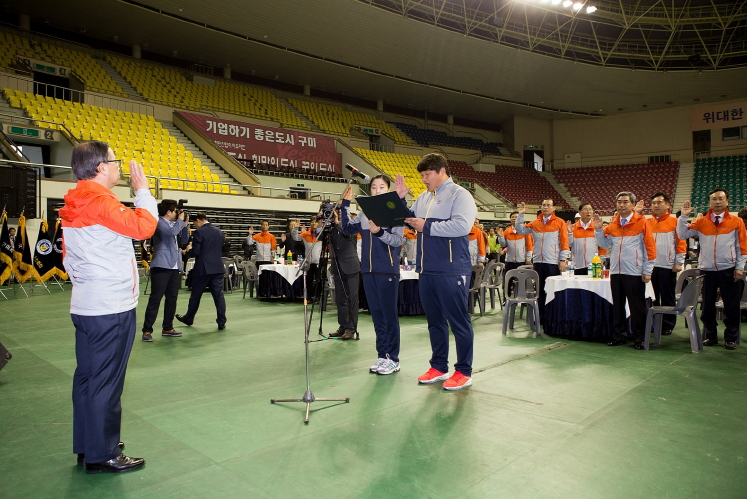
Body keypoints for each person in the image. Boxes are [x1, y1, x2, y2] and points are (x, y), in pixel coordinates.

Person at [60, 140, 157, 473]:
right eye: (115, 162)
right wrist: (142, 192)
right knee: (107, 381)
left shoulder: (75, 200)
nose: (119, 167)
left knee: (87, 377)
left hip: (86, 303)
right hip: (110, 306)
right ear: (101, 167)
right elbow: (145, 227)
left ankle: (89, 444)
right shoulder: (100, 202)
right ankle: (104, 453)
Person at [395, 152, 477, 391]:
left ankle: (464, 371)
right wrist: (400, 201)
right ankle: (439, 367)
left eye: (427, 174)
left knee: (458, 322)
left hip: (452, 269)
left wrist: (427, 225)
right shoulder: (423, 197)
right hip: (426, 269)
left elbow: (462, 226)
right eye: (422, 175)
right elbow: (410, 220)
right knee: (434, 322)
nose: (424, 179)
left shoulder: (460, 194)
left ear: (442, 171)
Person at [340, 175, 404, 373]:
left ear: (388, 190)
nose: (377, 190)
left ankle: (393, 358)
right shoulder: (364, 213)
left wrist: (379, 233)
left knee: (389, 316)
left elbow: (398, 241)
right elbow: (347, 228)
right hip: (368, 270)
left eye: (381, 187)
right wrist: (345, 205)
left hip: (387, 270)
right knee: (377, 316)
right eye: (374, 187)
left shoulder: (394, 212)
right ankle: (382, 356)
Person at [677, 190, 747, 350]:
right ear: (709, 202)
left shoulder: (736, 221)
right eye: (714, 199)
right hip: (707, 270)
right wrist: (683, 217)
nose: (717, 202)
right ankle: (710, 336)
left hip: (729, 269)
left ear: (727, 201)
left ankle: (731, 337)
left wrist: (739, 267)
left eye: (720, 199)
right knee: (707, 305)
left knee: (731, 305)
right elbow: (682, 234)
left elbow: (742, 246)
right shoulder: (701, 222)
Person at [594, 192, 656, 350]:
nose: (621, 205)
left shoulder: (642, 222)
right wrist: (599, 230)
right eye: (619, 202)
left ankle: (639, 338)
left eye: (625, 202)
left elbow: (650, 247)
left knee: (637, 307)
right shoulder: (613, 224)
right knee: (617, 306)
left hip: (634, 271)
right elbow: (605, 245)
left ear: (633, 205)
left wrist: (647, 270)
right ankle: (618, 336)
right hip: (616, 271)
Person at [514, 199, 569, 326]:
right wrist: (521, 215)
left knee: (552, 291)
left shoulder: (560, 222)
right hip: (538, 262)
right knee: (539, 291)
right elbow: (520, 230)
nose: (545, 207)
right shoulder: (535, 223)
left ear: (553, 208)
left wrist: (562, 260)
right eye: (544, 205)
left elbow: (564, 242)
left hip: (553, 262)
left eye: (548, 205)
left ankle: (552, 318)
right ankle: (541, 318)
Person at [141, 199, 188, 342]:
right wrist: (180, 221)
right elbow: (171, 232)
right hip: (161, 266)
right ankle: (147, 330)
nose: (177, 214)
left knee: (172, 299)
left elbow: (183, 240)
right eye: (175, 211)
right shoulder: (159, 223)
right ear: (168, 212)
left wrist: (184, 225)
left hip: (174, 266)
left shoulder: (175, 224)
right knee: (155, 299)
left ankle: (168, 327)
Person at [176, 212, 227, 330]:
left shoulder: (199, 232)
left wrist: (188, 250)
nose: (195, 226)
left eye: (195, 223)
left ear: (198, 220)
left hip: (203, 269)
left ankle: (189, 318)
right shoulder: (219, 232)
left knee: (196, 295)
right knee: (219, 296)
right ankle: (221, 321)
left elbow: (196, 252)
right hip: (217, 267)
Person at [646, 193, 686, 336]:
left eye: (659, 202)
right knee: (652, 297)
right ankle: (654, 323)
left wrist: (678, 262)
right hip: (650, 267)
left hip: (667, 266)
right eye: (654, 203)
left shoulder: (675, 222)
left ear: (668, 205)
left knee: (667, 297)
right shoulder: (647, 222)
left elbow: (681, 243)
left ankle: (668, 325)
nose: (656, 205)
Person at [328, 204, 361, 340]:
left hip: (351, 266)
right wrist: (321, 220)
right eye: (336, 210)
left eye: (340, 210)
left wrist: (338, 223)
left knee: (352, 299)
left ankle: (351, 329)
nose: (338, 213)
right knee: (340, 299)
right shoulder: (331, 228)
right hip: (337, 266)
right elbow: (319, 236)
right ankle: (343, 326)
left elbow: (348, 234)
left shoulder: (352, 225)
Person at [567, 203, 597, 276]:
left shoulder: (597, 227)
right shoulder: (572, 228)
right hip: (577, 265)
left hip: (594, 265)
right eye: (585, 209)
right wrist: (570, 233)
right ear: (579, 212)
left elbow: (601, 246)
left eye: (590, 209)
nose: (588, 211)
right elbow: (568, 245)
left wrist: (602, 260)